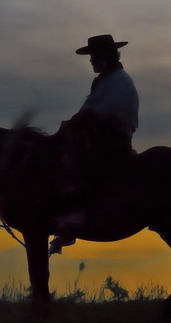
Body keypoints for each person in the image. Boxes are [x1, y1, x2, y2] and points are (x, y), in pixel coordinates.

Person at [51, 34, 139, 251]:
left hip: (111, 138)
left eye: (94, 56)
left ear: (105, 57)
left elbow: (107, 110)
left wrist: (82, 118)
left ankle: (72, 212)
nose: (91, 61)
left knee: (73, 159)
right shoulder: (108, 80)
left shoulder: (119, 80)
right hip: (103, 133)